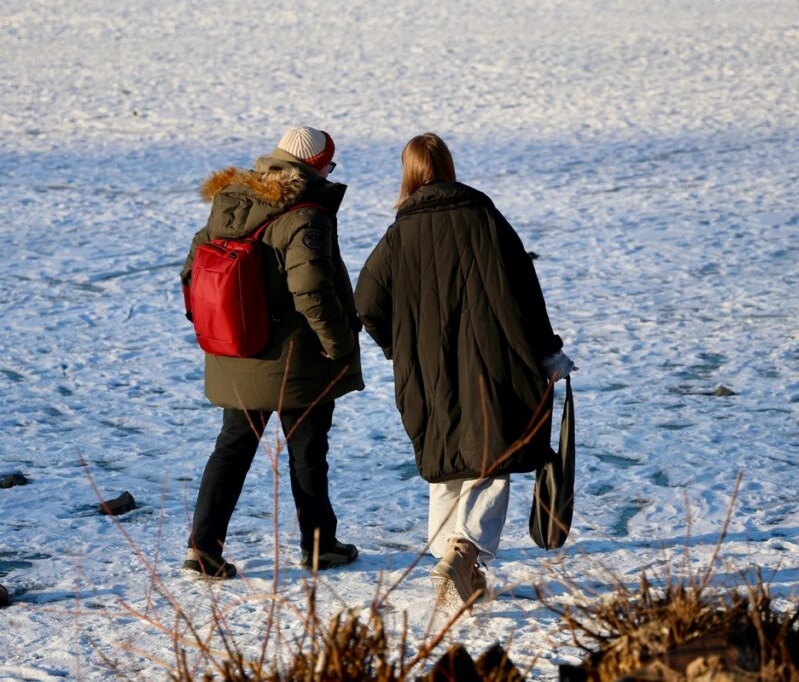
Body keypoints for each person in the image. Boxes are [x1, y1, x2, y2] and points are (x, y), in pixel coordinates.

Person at [354, 133, 574, 610]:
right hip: (491, 360)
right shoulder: (484, 217)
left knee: (447, 460)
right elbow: (524, 292)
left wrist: (401, 347)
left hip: (426, 369)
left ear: (408, 173)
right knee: (488, 458)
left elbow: (366, 303)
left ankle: (449, 561)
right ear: (449, 166)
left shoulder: (399, 233)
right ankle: (464, 552)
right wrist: (548, 350)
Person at [179, 127, 364, 578]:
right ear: (318, 165)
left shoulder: (231, 203)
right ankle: (319, 546)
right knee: (307, 450)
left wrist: (225, 332)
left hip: (235, 353)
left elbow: (191, 276)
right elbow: (313, 293)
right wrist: (337, 346)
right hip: (294, 360)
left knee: (232, 448)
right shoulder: (305, 216)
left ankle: (203, 549)